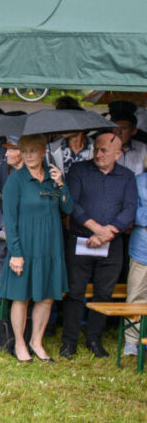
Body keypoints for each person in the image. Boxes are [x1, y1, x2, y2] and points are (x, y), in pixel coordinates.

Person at [60, 131, 138, 358]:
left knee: (104, 293)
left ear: (118, 154)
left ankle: (94, 338)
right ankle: (69, 340)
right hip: (80, 239)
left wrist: (106, 234)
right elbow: (72, 204)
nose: (98, 154)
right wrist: (96, 229)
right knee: (75, 292)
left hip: (112, 244)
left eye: (104, 150)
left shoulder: (127, 177)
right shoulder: (78, 170)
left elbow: (129, 210)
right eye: (96, 149)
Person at [0, 134, 72, 363]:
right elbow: (10, 222)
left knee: (48, 296)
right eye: (25, 151)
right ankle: (20, 342)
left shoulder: (52, 178)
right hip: (25, 246)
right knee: (21, 297)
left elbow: (68, 208)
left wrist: (61, 184)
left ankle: (36, 341)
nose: (29, 155)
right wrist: (16, 253)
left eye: (33, 151)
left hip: (50, 246)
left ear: (43, 152)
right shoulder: (16, 180)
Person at [0, 136, 23, 285]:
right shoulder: (0, 168)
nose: (6, 153)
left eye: (11, 149)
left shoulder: (38, 172)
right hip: (3, 229)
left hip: (25, 230)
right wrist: (3, 223)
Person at [125, 171, 147, 357]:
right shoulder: (138, 181)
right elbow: (133, 213)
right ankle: (131, 341)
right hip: (142, 249)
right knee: (136, 296)